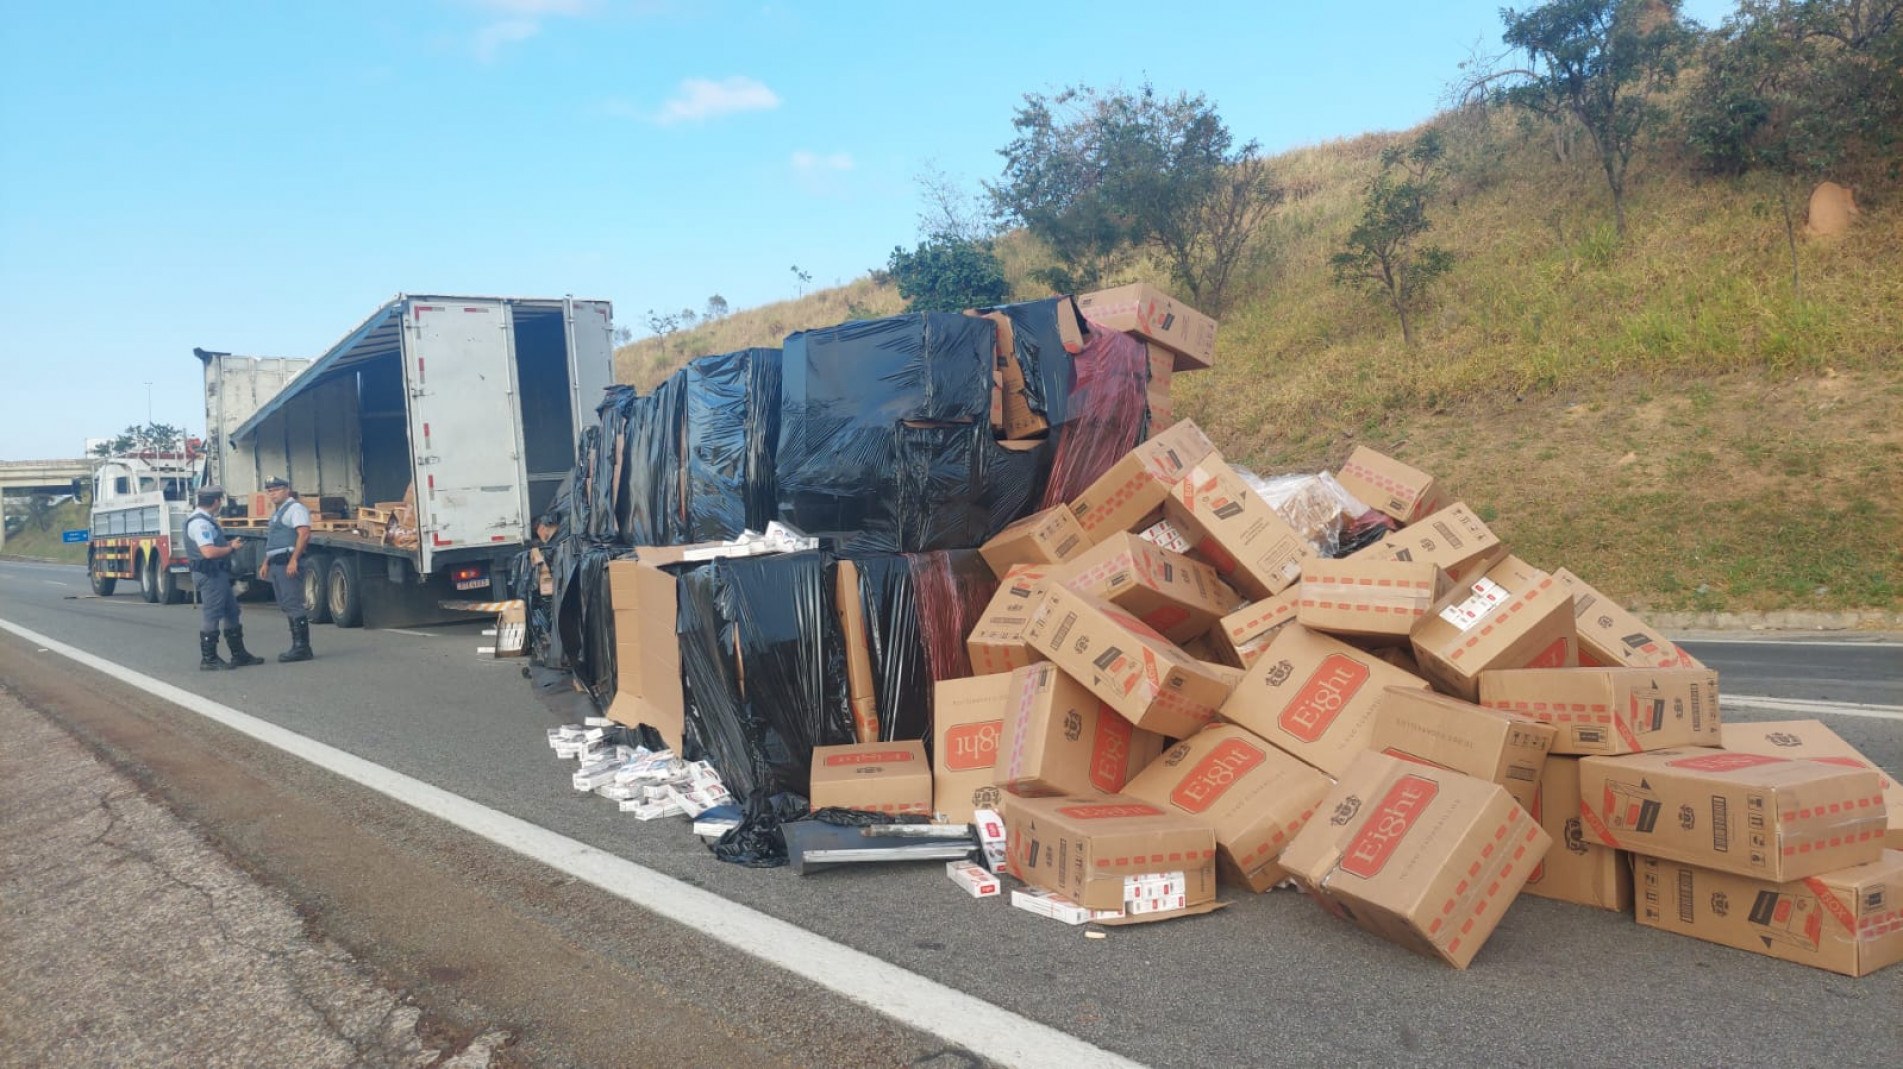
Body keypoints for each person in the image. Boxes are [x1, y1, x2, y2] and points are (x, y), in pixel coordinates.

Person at [184, 485, 265, 670]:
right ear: (215, 501)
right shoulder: (201, 523)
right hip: (210, 574)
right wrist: (230, 549)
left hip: (216, 573)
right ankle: (209, 659)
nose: (220, 503)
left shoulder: (205, 520)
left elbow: (211, 545)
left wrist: (228, 543)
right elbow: (209, 552)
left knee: (232, 611)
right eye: (220, 500)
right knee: (212, 614)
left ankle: (239, 654)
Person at [258, 476, 315, 662]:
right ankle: (296, 645)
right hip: (276, 562)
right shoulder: (278, 512)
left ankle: (302, 647)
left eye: (275, 490)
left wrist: (294, 560)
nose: (271, 494)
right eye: (269, 491)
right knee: (285, 604)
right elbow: (274, 540)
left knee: (292, 602)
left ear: (286, 490)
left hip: (287, 562)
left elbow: (304, 534)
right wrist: (266, 562)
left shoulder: (295, 509)